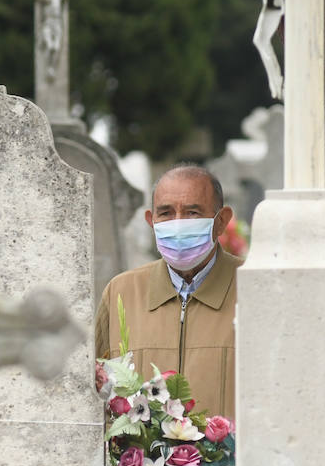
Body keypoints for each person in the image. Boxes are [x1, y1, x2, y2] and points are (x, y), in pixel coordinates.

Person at [94, 165, 240, 420]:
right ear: (151, 221)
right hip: (144, 461)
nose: (178, 224)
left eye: (193, 212)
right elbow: (96, 393)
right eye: (166, 213)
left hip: (234, 459)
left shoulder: (252, 287)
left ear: (221, 221)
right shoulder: (122, 293)